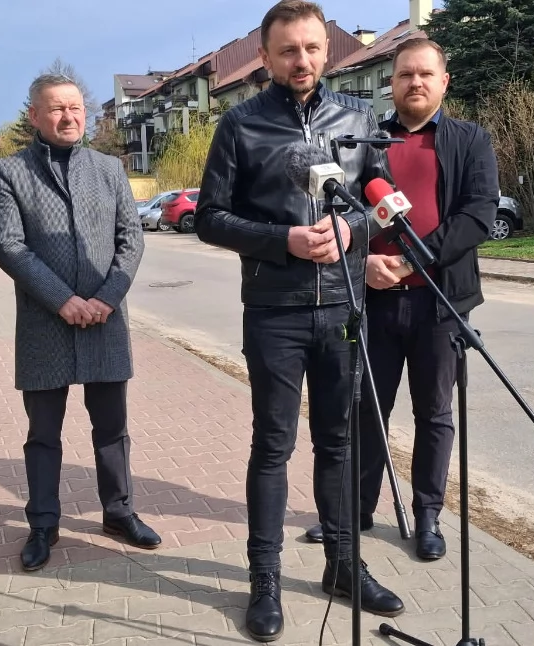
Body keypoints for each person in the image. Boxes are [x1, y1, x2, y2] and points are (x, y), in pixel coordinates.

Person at [196, 1, 405, 641]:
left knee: (340, 442)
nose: (303, 61)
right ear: (266, 56)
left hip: (345, 305)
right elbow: (209, 216)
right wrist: (282, 239)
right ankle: (264, 580)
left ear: (327, 50)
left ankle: (344, 566)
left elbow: (387, 200)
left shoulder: (360, 117)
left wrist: (356, 228)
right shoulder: (240, 124)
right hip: (275, 311)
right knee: (274, 445)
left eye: (313, 48)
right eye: (288, 50)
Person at [302, 38, 499, 561]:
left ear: (443, 81)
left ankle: (428, 515)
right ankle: (358, 512)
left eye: (425, 74)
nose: (415, 83)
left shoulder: (469, 140)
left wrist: (414, 262)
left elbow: (476, 215)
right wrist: (362, 264)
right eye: (405, 74)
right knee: (366, 410)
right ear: (391, 82)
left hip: (440, 303)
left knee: (435, 413)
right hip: (372, 300)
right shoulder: (366, 140)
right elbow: (335, 211)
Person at [0, 73, 160, 574]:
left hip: (106, 321)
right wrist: (63, 301)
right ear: (35, 116)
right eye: (57, 109)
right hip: (46, 323)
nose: (69, 117)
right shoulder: (10, 172)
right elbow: (9, 246)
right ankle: (43, 523)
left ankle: (118, 512)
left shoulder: (108, 168)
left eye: (77, 108)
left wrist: (106, 298)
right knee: (44, 433)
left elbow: (132, 238)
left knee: (112, 428)